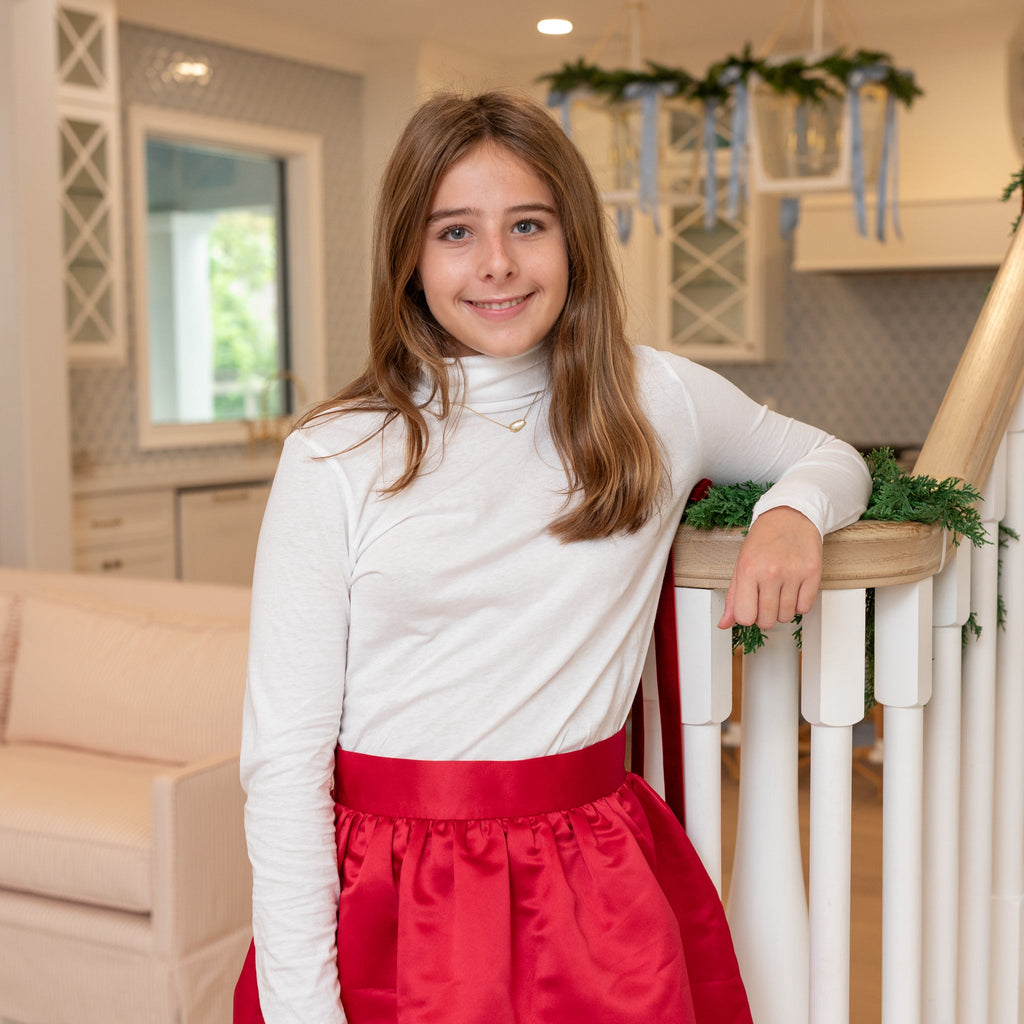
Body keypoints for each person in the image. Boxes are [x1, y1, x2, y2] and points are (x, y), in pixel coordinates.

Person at [233, 90, 871, 1024]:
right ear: (409, 255)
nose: (497, 263)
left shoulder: (654, 399)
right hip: (391, 899)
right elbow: (283, 768)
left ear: (573, 237)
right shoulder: (335, 454)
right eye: (455, 232)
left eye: (527, 224)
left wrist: (793, 515)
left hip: (593, 879)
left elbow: (830, 456)